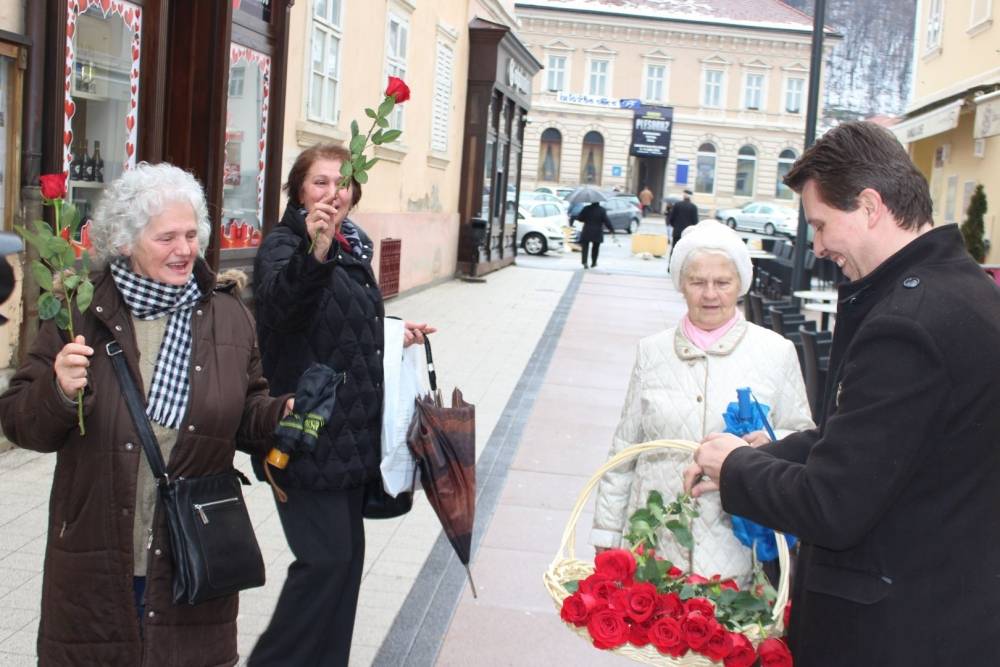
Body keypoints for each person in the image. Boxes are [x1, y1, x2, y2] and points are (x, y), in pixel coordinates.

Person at [685, 121, 1000, 665]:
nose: (820, 245)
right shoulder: (964, 288)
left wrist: (736, 467)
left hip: (896, 627)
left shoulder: (908, 324)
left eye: (822, 224)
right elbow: (865, 440)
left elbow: (832, 503)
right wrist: (765, 455)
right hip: (952, 607)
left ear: (870, 206)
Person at [0, 163, 292, 666]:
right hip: (98, 554)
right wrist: (59, 391)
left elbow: (245, 412)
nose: (184, 249)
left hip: (192, 556)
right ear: (124, 242)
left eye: (191, 234)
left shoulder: (228, 313)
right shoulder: (79, 312)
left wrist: (282, 415)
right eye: (166, 238)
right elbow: (20, 423)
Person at [250, 143, 434, 666]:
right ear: (298, 191)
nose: (333, 194)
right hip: (304, 434)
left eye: (342, 183)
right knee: (324, 563)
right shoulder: (285, 246)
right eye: (320, 183)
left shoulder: (354, 244)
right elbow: (285, 310)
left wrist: (393, 333)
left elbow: (340, 323)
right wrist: (315, 250)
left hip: (351, 438)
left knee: (346, 565)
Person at [592, 221, 813, 585]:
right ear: (681, 284)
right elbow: (625, 450)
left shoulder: (776, 353)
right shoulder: (652, 352)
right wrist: (606, 536)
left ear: (740, 284)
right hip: (656, 548)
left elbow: (803, 440)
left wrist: (769, 444)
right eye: (697, 282)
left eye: (722, 283)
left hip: (738, 555)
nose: (710, 294)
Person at [576, 200, 615, 269]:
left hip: (587, 230)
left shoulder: (586, 208)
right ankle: (594, 262)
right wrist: (611, 229)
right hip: (597, 231)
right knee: (596, 248)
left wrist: (585, 219)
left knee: (585, 247)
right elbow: (606, 221)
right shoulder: (602, 210)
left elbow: (579, 218)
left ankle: (584, 262)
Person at [667, 189, 699, 262]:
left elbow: (671, 218)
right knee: (686, 252)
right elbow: (695, 222)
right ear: (690, 197)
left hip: (677, 232)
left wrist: (675, 226)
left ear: (683, 196)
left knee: (674, 249)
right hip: (688, 234)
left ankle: (670, 266)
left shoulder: (677, 205)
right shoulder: (693, 207)